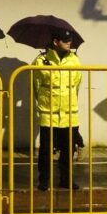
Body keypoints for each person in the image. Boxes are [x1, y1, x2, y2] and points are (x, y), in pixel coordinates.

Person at [33, 29, 82, 190]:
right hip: (49, 114)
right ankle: (44, 180)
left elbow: (77, 86)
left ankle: (66, 179)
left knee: (68, 150)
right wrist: (42, 104)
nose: (69, 42)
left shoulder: (75, 60)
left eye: (70, 40)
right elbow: (36, 85)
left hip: (69, 114)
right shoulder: (41, 61)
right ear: (55, 42)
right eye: (65, 40)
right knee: (46, 151)